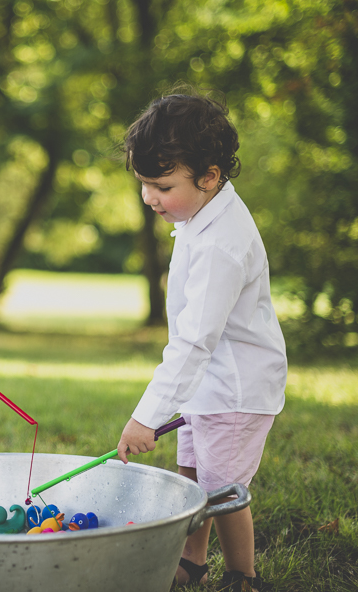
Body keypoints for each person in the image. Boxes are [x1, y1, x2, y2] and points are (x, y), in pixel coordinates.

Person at [114, 88, 286, 592]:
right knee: (191, 470)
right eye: (144, 184)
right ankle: (192, 560)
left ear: (209, 177)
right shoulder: (199, 211)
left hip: (235, 389)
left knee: (223, 489)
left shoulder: (221, 244)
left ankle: (243, 577)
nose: (150, 197)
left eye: (162, 186)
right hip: (206, 386)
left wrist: (146, 416)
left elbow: (193, 342)